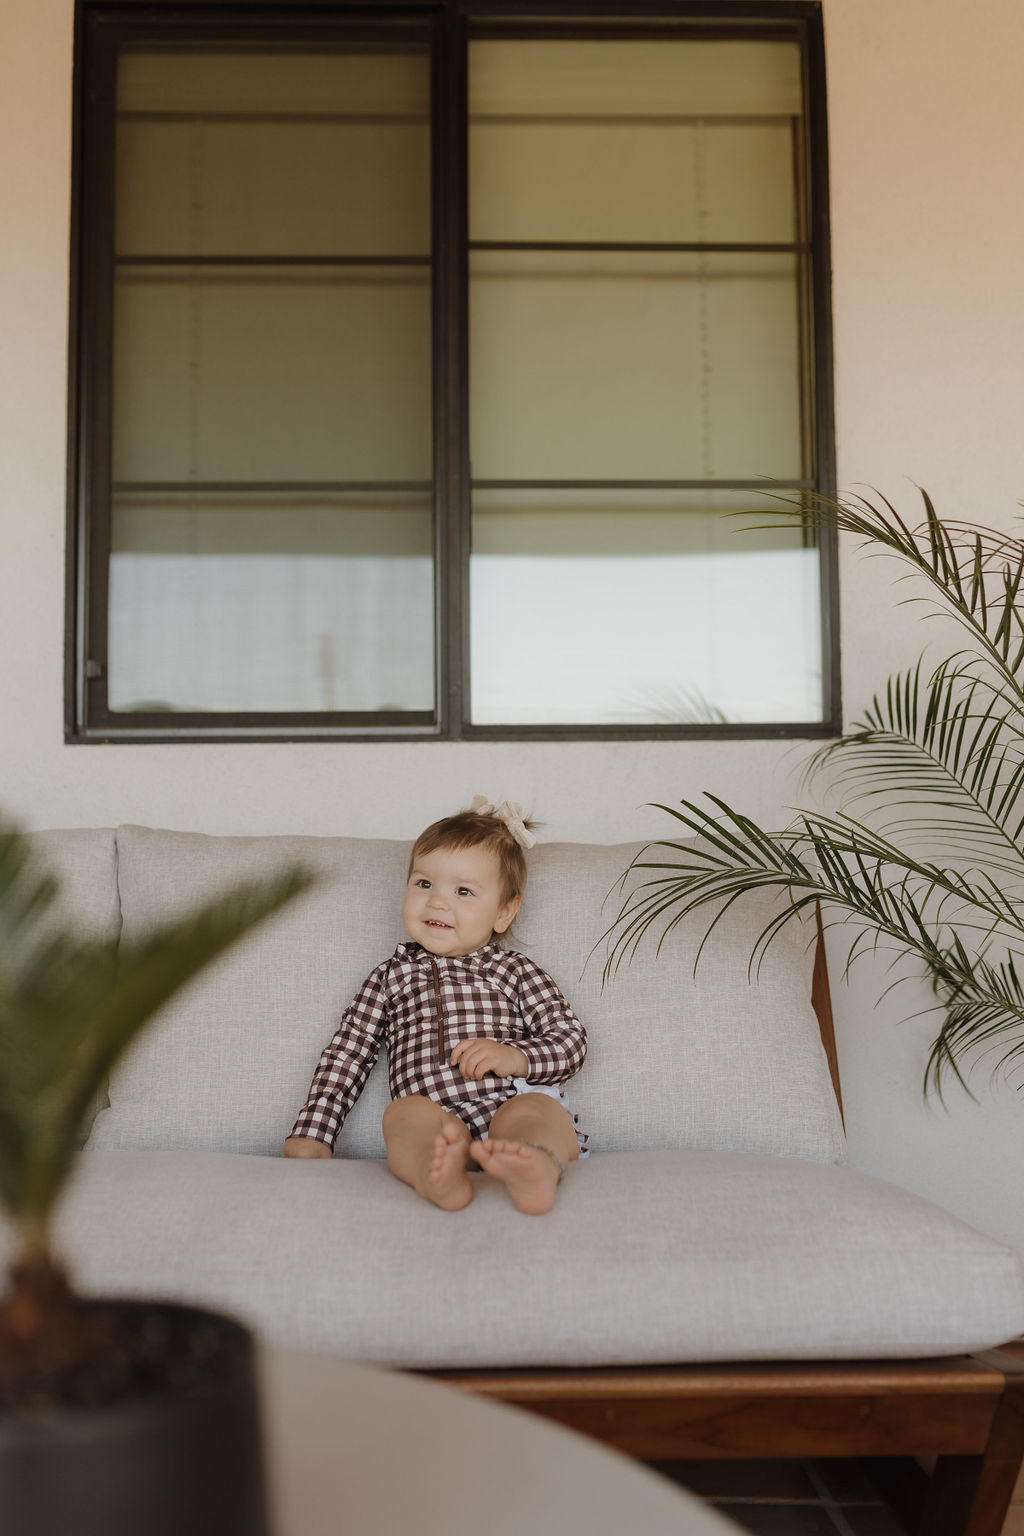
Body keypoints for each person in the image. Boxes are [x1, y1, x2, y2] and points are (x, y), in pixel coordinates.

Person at [283, 797, 588, 1215]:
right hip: (436, 1117)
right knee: (404, 1115)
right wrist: (313, 1133)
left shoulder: (515, 971)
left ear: (504, 911)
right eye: (424, 884)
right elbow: (347, 1056)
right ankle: (435, 1172)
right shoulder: (390, 977)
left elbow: (570, 1041)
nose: (438, 902)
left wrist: (516, 1056)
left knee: (535, 1112)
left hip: (510, 1098)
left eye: (463, 891)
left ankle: (534, 1161)